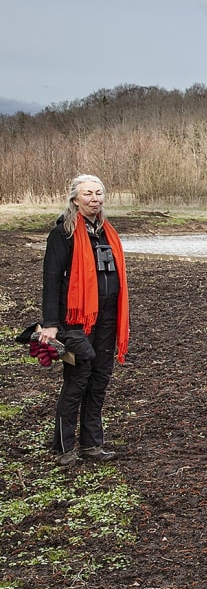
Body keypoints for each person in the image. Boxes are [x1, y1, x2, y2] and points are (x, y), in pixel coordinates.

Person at [40, 174, 130, 466]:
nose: (95, 199)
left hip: (107, 318)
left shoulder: (107, 232)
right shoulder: (63, 233)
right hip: (75, 320)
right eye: (88, 194)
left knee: (100, 379)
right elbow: (51, 280)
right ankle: (64, 447)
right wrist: (51, 322)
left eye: (99, 193)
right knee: (78, 379)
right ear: (75, 199)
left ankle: (92, 444)